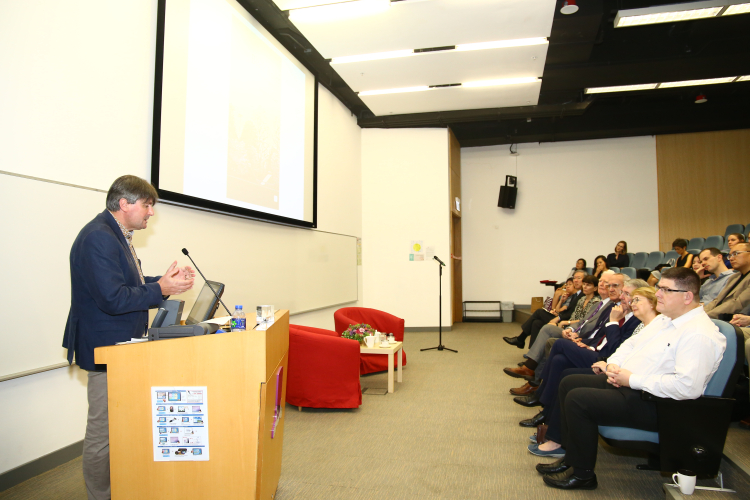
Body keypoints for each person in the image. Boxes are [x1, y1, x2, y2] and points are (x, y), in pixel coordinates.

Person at [62, 175, 195, 500]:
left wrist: (163, 282)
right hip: (108, 349)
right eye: (147, 205)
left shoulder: (116, 234)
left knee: (119, 426)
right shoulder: (99, 237)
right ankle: (100, 495)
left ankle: (121, 486)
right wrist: (159, 289)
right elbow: (113, 298)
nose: (151, 213)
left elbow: (129, 284)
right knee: (102, 432)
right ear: (125, 203)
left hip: (123, 348)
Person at [537, 267, 725, 490]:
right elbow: (632, 345)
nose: (658, 295)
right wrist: (613, 365)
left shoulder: (698, 334)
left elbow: (687, 388)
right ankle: (571, 457)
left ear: (687, 296)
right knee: (569, 382)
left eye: (665, 290)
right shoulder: (667, 320)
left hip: (662, 405)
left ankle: (583, 474)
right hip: (637, 387)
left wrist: (631, 379)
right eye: (659, 288)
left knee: (579, 399)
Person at [526, 286, 657, 458]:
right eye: (627, 296)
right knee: (560, 361)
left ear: (654, 304)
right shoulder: (622, 313)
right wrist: (584, 342)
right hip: (606, 360)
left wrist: (612, 323)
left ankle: (539, 396)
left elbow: (614, 346)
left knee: (559, 348)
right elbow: (600, 336)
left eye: (632, 297)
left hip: (613, 368)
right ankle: (550, 425)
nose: (627, 300)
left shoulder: (636, 321)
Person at [504, 273, 623, 385]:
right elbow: (582, 321)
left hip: (584, 337)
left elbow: (595, 330)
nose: (602, 284)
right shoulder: (597, 304)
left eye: (606, 283)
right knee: (542, 325)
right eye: (601, 281)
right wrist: (571, 329)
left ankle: (533, 375)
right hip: (574, 331)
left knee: (549, 333)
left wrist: (572, 329)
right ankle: (531, 369)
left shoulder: (610, 306)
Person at [510, 275, 601, 397]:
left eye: (588, 285)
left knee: (547, 330)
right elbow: (572, 316)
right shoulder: (581, 299)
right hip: (570, 328)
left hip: (578, 332)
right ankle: (531, 373)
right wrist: (566, 324)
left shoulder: (596, 302)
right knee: (541, 325)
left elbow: (583, 322)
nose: (585, 286)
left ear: (595, 288)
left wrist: (565, 324)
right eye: (584, 284)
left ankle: (531, 371)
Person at [504, 271, 586, 349]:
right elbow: (561, 310)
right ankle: (532, 354)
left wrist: (559, 317)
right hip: (561, 317)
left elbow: (571, 314)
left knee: (539, 312)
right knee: (537, 323)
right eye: (574, 278)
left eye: (579, 278)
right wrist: (559, 305)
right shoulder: (574, 295)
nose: (575, 280)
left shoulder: (582, 295)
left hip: (567, 323)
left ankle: (520, 339)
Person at [704, 242, 750, 318]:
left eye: (736, 254)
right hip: (715, 316)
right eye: (730, 256)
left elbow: (738, 303)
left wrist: (706, 316)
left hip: (732, 319)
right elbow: (717, 301)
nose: (731, 258)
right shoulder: (734, 277)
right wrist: (699, 314)